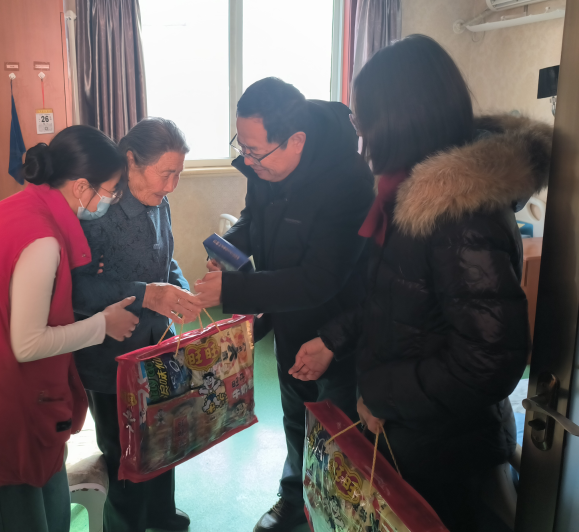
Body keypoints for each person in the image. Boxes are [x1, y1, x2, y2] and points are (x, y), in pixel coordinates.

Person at [290, 35, 550, 531]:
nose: (360, 135)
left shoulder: (460, 216)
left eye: (362, 119)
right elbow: (395, 297)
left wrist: (381, 395)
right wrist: (334, 339)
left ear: (397, 119)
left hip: (446, 448)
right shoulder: (407, 193)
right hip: (410, 429)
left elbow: (488, 361)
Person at [0, 126, 139, 532]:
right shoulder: (41, 239)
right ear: (81, 187)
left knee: (49, 512)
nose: (108, 202)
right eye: (109, 192)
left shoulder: (3, 212)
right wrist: (103, 325)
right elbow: (28, 343)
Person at [193, 77, 375, 532]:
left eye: (257, 153)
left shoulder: (349, 181)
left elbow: (320, 279)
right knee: (295, 420)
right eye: (242, 148)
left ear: (296, 140)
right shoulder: (265, 170)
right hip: (289, 319)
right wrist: (231, 246)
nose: (249, 162)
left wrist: (230, 292)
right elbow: (253, 219)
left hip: (338, 334)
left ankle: (330, 519)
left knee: (338, 438)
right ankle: (293, 501)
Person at [72, 117, 201, 532]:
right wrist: (147, 294)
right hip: (110, 360)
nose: (172, 185)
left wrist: (179, 291)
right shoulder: (99, 209)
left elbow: (166, 260)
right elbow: (76, 290)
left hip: (158, 344)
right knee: (124, 457)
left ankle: (161, 515)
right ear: (131, 161)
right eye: (166, 173)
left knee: (164, 436)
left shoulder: (159, 200)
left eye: (178, 174)